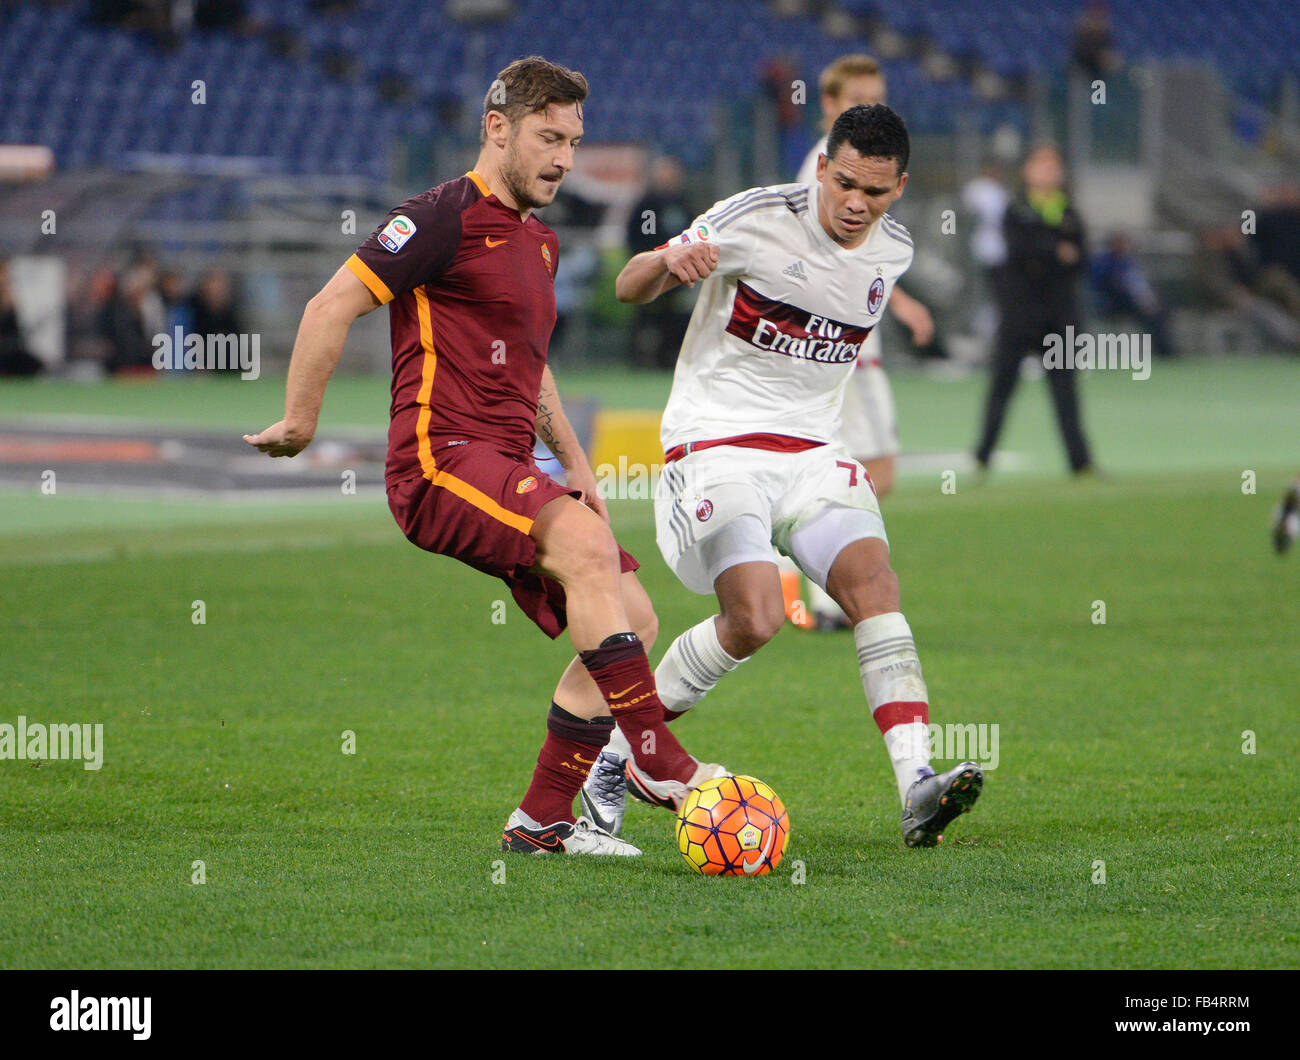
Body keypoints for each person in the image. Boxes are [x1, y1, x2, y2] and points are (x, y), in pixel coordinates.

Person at [244, 56, 724, 857]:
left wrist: (576, 463)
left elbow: (533, 371)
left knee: (629, 619)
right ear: (497, 128)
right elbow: (332, 303)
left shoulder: (539, 244)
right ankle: (657, 759)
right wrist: (300, 419)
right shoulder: (437, 219)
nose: (564, 158)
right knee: (587, 555)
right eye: (548, 136)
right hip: (437, 462)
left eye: (573, 140)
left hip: (506, 467)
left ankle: (540, 821)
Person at [581, 104, 983, 848]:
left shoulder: (892, 251)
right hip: (717, 445)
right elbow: (628, 286)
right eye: (844, 183)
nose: (857, 204)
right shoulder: (755, 217)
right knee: (757, 617)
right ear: (822, 167)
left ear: (901, 187)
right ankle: (616, 755)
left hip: (812, 456)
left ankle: (917, 786)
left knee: (875, 587)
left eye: (877, 191)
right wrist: (669, 263)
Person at [786, 54, 934, 631]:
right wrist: (898, 303)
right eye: (857, 99)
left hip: (844, 343)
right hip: (838, 347)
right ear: (828, 106)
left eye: (879, 96)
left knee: (857, 471)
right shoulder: (824, 170)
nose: (872, 108)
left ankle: (823, 594)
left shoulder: (846, 166)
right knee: (865, 471)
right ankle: (824, 591)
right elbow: (831, 258)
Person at [974, 145, 1094, 475]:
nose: (1048, 172)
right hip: (1020, 318)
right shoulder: (1016, 209)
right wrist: (1056, 250)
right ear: (1028, 171)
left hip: (1059, 318)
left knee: (1066, 394)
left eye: (1054, 166)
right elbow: (1023, 253)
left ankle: (1081, 464)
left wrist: (1049, 252)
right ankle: (982, 458)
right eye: (1041, 165)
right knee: (1002, 388)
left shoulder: (1069, 210)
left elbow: (1081, 258)